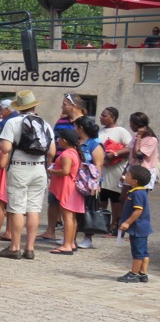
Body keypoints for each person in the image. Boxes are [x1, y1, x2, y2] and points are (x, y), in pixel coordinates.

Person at [0, 90, 54, 260]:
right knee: (34, 209)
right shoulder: (45, 124)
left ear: (19, 107)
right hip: (39, 168)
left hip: (20, 167)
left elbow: (5, 148)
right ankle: (30, 248)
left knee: (17, 208)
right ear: (34, 105)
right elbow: (52, 151)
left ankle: (14, 247)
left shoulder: (13, 122)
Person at [40, 93, 87, 242]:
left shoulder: (84, 123)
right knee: (53, 200)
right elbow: (53, 141)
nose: (62, 107)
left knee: (69, 207)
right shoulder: (61, 121)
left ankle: (70, 238)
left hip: (73, 167)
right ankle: (50, 230)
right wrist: (51, 162)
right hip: (58, 163)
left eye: (65, 104)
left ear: (74, 106)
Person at [46, 128, 84, 255]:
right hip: (70, 187)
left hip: (66, 187)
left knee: (67, 216)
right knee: (71, 217)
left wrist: (51, 171)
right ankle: (71, 242)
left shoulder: (67, 154)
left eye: (59, 138)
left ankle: (67, 244)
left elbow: (65, 171)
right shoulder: (74, 152)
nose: (58, 140)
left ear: (65, 140)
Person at [98, 107, 133, 235]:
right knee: (102, 197)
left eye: (104, 115)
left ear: (113, 118)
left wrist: (115, 153)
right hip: (103, 169)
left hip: (116, 169)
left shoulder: (121, 131)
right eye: (101, 115)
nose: (101, 117)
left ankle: (115, 224)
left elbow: (130, 148)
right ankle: (101, 224)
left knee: (115, 198)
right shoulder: (100, 131)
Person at [117, 165, 152, 283]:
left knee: (137, 252)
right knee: (143, 251)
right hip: (142, 227)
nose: (125, 176)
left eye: (127, 175)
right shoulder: (139, 192)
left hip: (138, 227)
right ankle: (143, 273)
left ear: (134, 181)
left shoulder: (137, 194)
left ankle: (134, 274)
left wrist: (127, 223)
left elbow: (138, 210)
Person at [74, 115, 105, 249]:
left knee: (90, 209)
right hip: (75, 181)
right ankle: (71, 236)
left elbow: (98, 165)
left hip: (89, 182)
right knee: (73, 209)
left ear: (81, 128)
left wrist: (95, 183)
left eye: (75, 126)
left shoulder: (94, 145)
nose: (73, 129)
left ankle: (88, 237)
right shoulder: (75, 142)